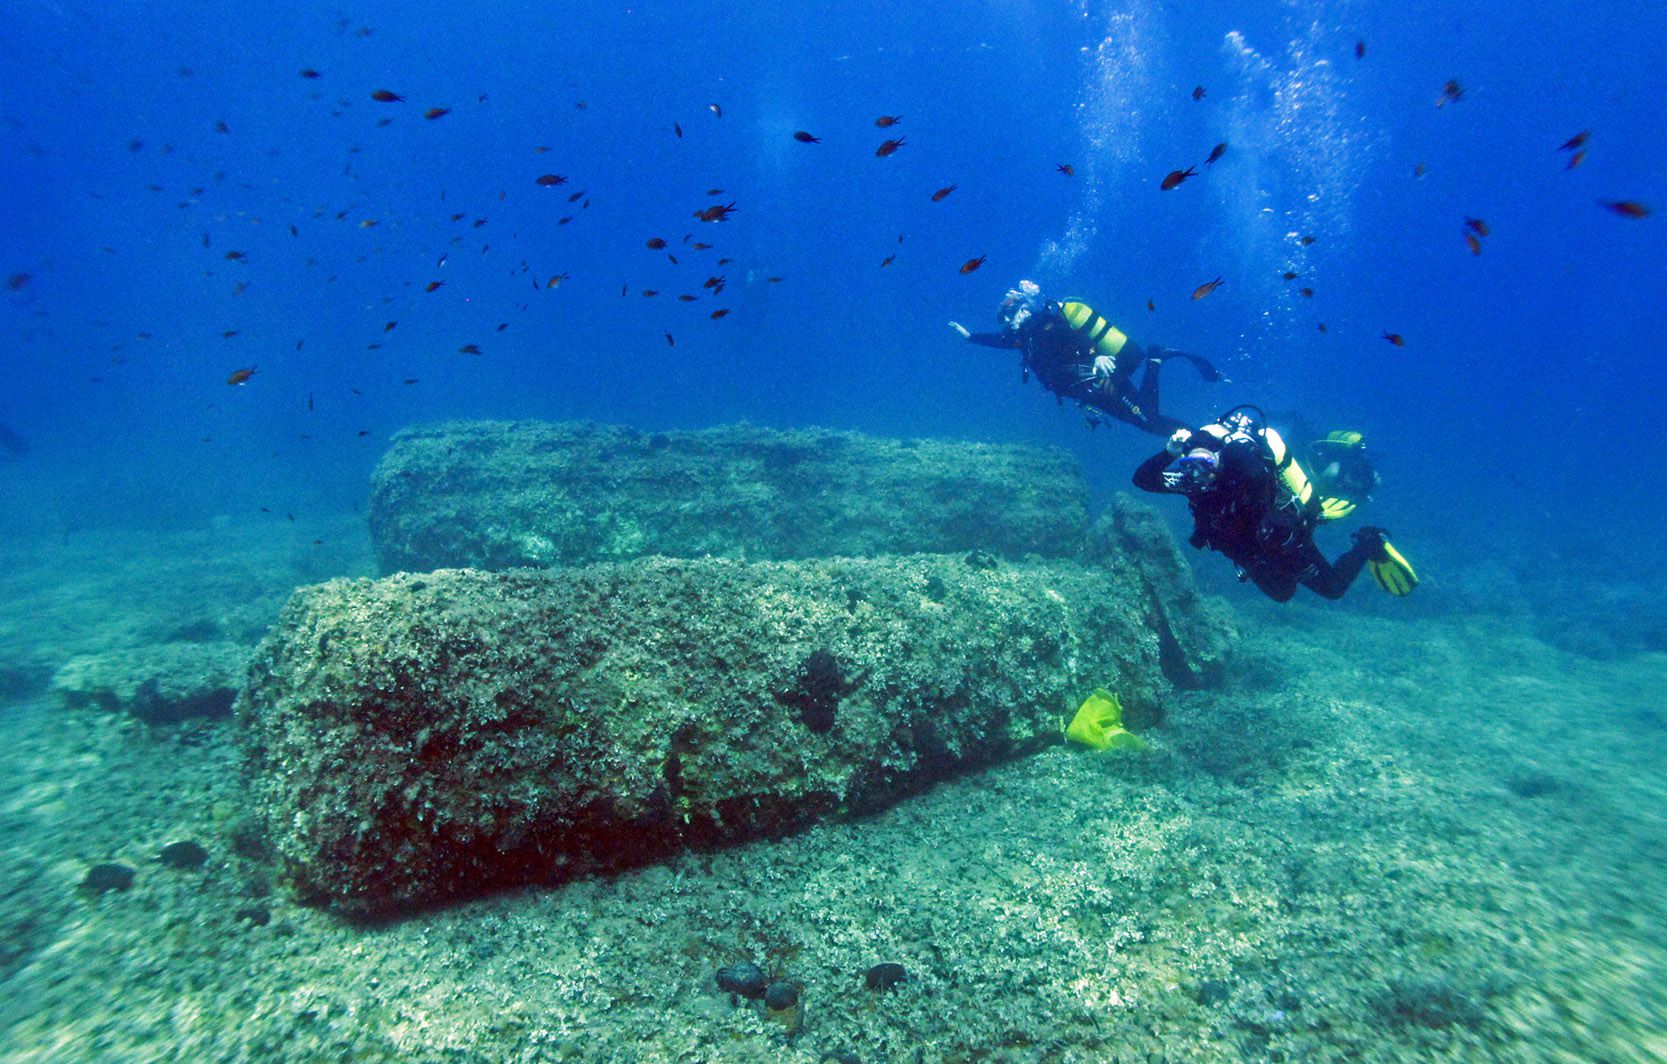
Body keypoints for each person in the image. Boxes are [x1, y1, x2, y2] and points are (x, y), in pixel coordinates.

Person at [1133, 405, 1417, 602]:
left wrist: (1234, 446)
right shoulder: (1192, 483)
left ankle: (1369, 542)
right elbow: (1142, 480)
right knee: (1283, 594)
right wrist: (1169, 452)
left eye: (1206, 463)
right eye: (1191, 465)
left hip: (1286, 542)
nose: (1199, 473)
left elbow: (1257, 480)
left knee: (1333, 589)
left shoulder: (1242, 472)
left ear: (1220, 459)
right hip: (1250, 555)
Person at [950, 280, 1225, 437]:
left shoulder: (1044, 323)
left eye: (1010, 316)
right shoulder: (1024, 337)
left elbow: (1075, 337)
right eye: (1004, 320)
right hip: (1089, 391)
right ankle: (1201, 437)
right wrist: (971, 337)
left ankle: (1202, 437)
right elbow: (999, 341)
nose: (1009, 323)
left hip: (1100, 378)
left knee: (1149, 420)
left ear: (1023, 309)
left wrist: (1097, 356)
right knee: (1145, 420)